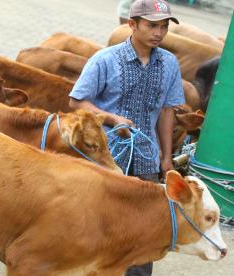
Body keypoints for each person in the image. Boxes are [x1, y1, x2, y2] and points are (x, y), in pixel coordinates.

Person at [69, 1, 184, 274]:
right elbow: (77, 101)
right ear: (132, 25)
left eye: (164, 26)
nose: (159, 32)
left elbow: (167, 111)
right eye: (152, 25)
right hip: (106, 158)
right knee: (99, 219)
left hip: (147, 158)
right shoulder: (105, 59)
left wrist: (166, 158)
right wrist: (112, 119)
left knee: (145, 225)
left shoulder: (169, 63)